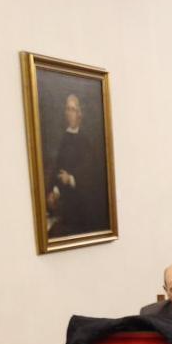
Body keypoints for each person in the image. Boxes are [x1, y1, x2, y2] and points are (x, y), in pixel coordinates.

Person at [46, 93, 106, 237]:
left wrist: (72, 178)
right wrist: (54, 191)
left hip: (83, 205)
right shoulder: (64, 139)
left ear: (79, 114)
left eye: (73, 109)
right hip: (65, 203)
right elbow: (58, 169)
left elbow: (91, 173)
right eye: (67, 109)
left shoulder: (86, 141)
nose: (69, 113)